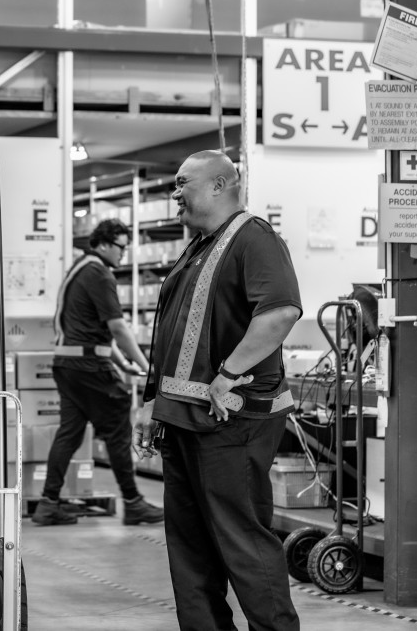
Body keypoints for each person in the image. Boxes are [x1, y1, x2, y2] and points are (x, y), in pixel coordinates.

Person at [133, 150, 302, 631]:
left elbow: (281, 312)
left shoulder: (254, 237)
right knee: (190, 551)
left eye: (182, 182)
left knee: (243, 542)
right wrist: (152, 401)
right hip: (182, 420)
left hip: (231, 422)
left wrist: (227, 374)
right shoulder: (199, 246)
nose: (175, 193)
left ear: (218, 184)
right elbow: (174, 333)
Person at [31, 219, 164, 527]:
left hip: (68, 365)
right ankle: (133, 502)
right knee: (118, 427)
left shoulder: (81, 268)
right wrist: (147, 367)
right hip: (88, 367)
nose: (123, 254)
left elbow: (98, 331)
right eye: (120, 247)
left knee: (70, 432)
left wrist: (122, 363)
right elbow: (117, 328)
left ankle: (48, 504)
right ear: (104, 244)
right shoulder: (99, 273)